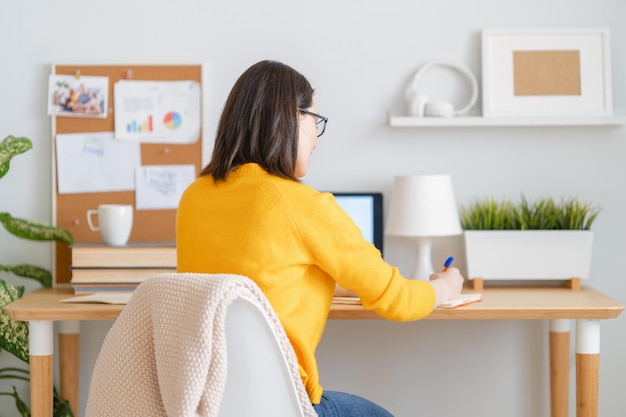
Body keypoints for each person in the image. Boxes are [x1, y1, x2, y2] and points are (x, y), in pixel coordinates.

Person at [176, 60, 465, 417]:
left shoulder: (194, 198)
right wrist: (445, 288)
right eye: (316, 120)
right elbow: (400, 301)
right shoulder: (300, 204)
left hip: (207, 401)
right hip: (283, 403)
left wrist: (330, 284)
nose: (316, 137)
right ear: (292, 119)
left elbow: (250, 284)